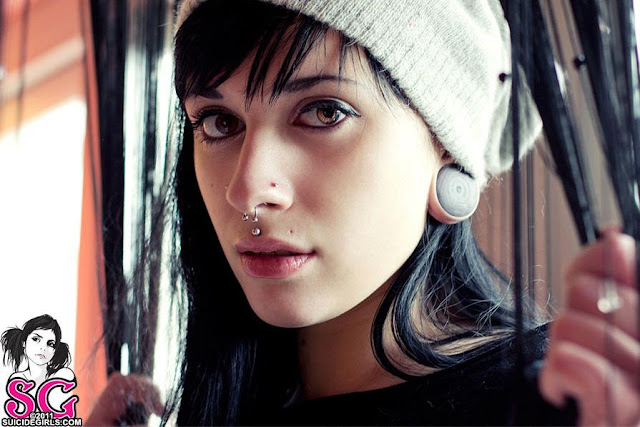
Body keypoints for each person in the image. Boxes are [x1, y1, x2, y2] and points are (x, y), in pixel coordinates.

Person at [87, 0, 640, 425]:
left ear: (446, 145)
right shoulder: (224, 402)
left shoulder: (570, 402)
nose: (247, 190)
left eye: (324, 112)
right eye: (219, 121)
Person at [1, 314, 75, 410]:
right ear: (24, 342)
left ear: (55, 350)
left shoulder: (63, 374)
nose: (43, 348)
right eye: (36, 339)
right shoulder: (17, 379)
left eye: (50, 344)